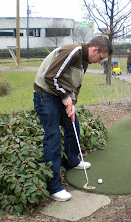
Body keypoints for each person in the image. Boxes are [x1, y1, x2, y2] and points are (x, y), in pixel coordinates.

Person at [33, 36, 113, 202]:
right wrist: (65, 97)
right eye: (101, 58)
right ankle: (54, 187)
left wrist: (72, 102)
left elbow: (76, 84)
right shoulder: (73, 52)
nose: (100, 62)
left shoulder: (85, 60)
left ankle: (73, 161)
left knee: (73, 126)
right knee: (53, 137)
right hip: (45, 96)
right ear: (94, 49)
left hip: (59, 96)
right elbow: (50, 77)